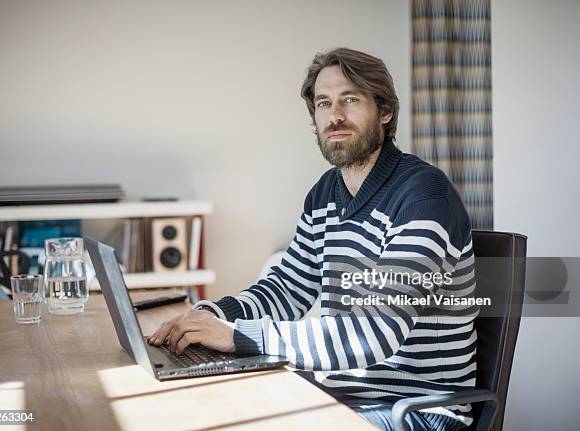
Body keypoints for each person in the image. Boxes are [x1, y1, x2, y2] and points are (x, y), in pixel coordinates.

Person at [148, 48, 476, 431]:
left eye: (350, 100)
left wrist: (239, 337)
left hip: (416, 410)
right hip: (343, 395)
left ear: (384, 112)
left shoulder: (424, 196)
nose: (335, 115)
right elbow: (287, 290)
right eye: (324, 103)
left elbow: (375, 332)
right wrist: (213, 316)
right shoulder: (324, 194)